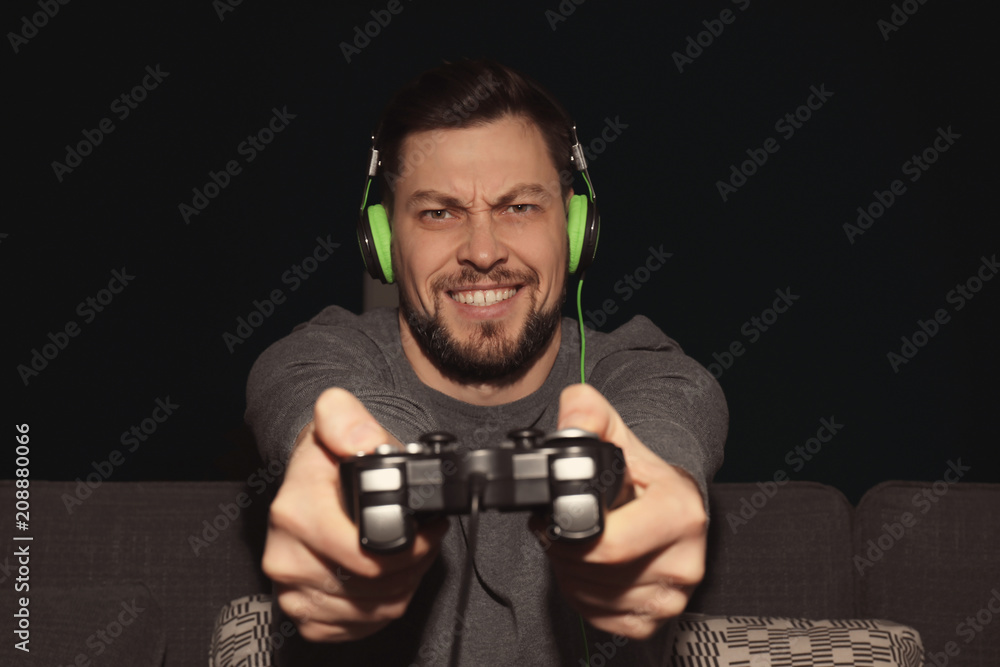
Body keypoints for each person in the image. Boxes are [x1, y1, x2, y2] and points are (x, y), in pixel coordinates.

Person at [246, 58, 728, 666]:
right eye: (439, 212)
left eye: (519, 207)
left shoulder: (641, 367)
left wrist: (647, 494)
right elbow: (311, 400)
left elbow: (667, 418)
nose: (482, 251)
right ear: (384, 240)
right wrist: (374, 483)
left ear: (577, 229)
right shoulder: (319, 355)